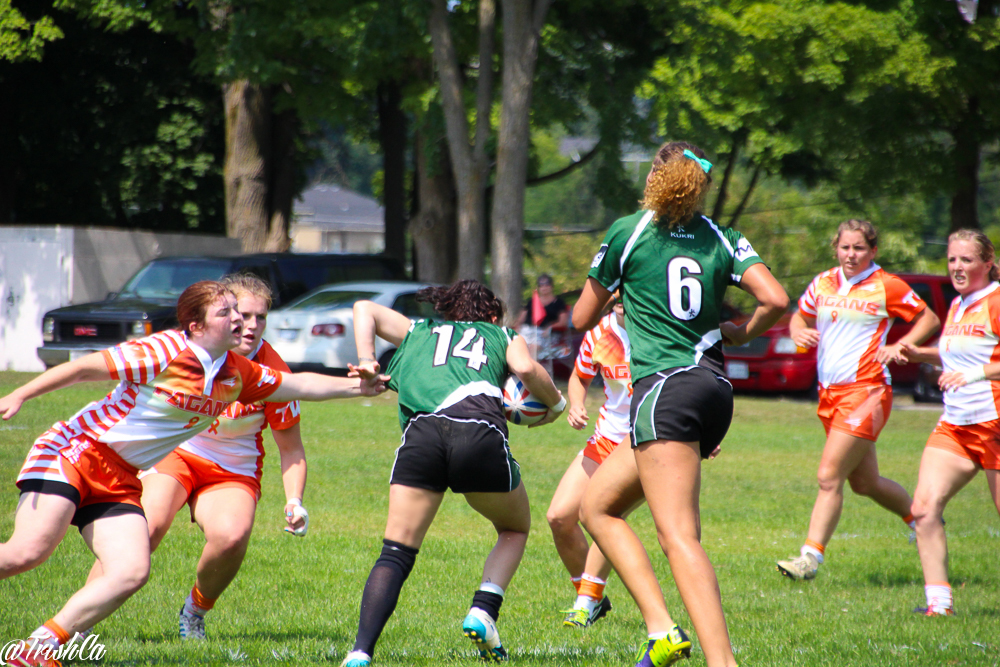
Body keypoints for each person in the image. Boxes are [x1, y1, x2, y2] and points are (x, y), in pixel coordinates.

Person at [0, 280, 384, 666]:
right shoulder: (164, 350)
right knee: (26, 553)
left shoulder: (238, 372)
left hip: (120, 478)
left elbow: (298, 383)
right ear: (196, 326)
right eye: (228, 313)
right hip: (75, 452)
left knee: (131, 572)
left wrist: (360, 388)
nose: (240, 321)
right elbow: (84, 368)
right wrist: (19, 394)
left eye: (243, 312)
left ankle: (36, 649)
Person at [575, 141, 789, 667]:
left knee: (678, 538)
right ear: (699, 183)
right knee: (596, 506)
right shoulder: (722, 234)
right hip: (714, 389)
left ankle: (722, 662)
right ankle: (662, 630)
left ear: (654, 176)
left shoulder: (631, 231)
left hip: (666, 388)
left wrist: (619, 291)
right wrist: (740, 333)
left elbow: (582, 317)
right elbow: (777, 300)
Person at [341, 280, 565, 667]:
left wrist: (368, 358)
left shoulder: (418, 330)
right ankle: (483, 610)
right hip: (479, 434)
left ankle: (360, 652)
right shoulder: (501, 333)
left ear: (447, 312)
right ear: (492, 315)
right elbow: (526, 367)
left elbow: (365, 307)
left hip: (422, 436)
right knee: (514, 529)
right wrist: (557, 405)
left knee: (395, 553)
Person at [85, 273, 309, 640]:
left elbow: (292, 449)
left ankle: (194, 612)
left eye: (261, 317)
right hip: (178, 454)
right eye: (242, 314)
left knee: (232, 536)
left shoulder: (273, 374)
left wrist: (294, 500)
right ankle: (80, 625)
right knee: (144, 529)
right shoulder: (184, 352)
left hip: (232, 470)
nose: (251, 325)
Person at [775, 220, 940, 581]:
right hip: (829, 394)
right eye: (845, 247)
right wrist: (798, 330)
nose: (851, 255)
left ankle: (809, 559)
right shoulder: (823, 282)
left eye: (859, 248)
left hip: (866, 391)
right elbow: (798, 317)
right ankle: (922, 519)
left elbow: (928, 318)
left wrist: (900, 344)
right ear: (836, 248)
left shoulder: (886, 285)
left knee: (828, 476)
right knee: (865, 483)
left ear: (873, 251)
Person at [900, 229, 1000, 616]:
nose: (957, 267)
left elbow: (975, 368)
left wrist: (975, 376)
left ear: (988, 263)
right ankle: (938, 606)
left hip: (994, 423)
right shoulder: (959, 305)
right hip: (956, 424)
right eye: (952, 259)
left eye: (967, 260)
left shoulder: (994, 300)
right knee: (924, 510)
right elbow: (958, 358)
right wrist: (917, 354)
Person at [546, 295, 629, 628]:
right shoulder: (601, 333)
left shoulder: (658, 332)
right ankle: (592, 596)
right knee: (559, 517)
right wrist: (577, 404)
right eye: (617, 291)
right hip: (606, 438)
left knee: (602, 514)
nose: (622, 297)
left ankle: (586, 601)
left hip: (645, 444)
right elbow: (579, 377)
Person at [516, 274, 569, 363]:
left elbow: (563, 322)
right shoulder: (532, 301)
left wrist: (551, 327)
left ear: (551, 286)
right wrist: (516, 328)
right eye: (541, 285)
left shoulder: (559, 302)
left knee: (533, 346)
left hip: (547, 333)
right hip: (528, 330)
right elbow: (521, 318)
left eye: (547, 284)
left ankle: (529, 371)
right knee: (515, 344)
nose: (544, 287)